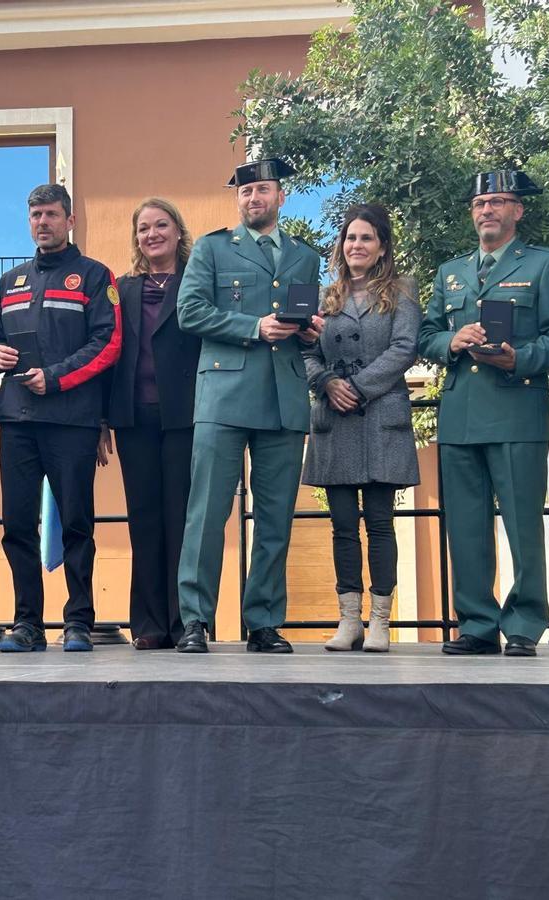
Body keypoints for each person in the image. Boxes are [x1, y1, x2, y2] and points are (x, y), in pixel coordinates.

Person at [174, 158, 323, 654]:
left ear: (282, 196)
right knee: (207, 513)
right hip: (224, 395)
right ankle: (195, 620)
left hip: (284, 397)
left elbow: (300, 318)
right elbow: (189, 311)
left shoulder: (305, 256)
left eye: (262, 190)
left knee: (276, 517)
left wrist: (309, 329)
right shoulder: (214, 248)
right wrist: (253, 326)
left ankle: (263, 621)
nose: (253, 199)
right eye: (245, 193)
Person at [417, 171, 549, 657]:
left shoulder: (545, 265)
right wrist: (451, 341)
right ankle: (477, 624)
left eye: (498, 202)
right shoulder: (451, 272)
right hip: (461, 414)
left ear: (517, 211)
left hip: (516, 409)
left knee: (523, 525)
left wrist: (519, 359)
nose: (487, 211)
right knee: (464, 526)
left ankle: (523, 625)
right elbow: (427, 334)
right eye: (480, 202)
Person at [0, 183, 121, 652]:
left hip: (71, 419)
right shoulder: (10, 282)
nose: (41, 223)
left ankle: (79, 621)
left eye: (50, 214)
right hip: (16, 419)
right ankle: (26, 623)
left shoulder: (93, 276)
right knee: (16, 526)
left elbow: (107, 344)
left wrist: (57, 378)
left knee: (76, 525)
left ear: (69, 221)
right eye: (34, 216)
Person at [301, 204, 420, 653]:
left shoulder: (402, 291)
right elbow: (305, 351)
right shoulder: (324, 296)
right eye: (351, 238)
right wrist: (328, 382)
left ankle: (379, 623)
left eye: (366, 238)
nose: (357, 246)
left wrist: (357, 387)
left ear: (382, 246)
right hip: (334, 418)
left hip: (379, 417)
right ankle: (348, 620)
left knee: (381, 522)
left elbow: (405, 347)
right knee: (342, 526)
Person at [99, 198, 200, 650]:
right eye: (143, 228)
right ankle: (149, 625)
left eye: (161, 225)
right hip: (133, 417)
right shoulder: (121, 289)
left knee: (181, 519)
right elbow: (109, 353)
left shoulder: (200, 284)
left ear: (179, 232)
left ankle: (186, 624)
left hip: (186, 415)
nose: (152, 234)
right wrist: (103, 418)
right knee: (143, 520)